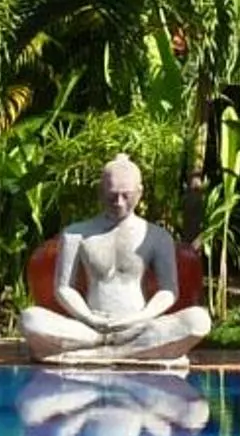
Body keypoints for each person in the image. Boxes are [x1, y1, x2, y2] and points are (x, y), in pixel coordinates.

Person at [16, 154, 211, 363]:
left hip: (138, 327)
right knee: (30, 319)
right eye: (112, 195)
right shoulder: (76, 234)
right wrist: (89, 318)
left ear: (139, 193)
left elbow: (168, 291)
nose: (118, 202)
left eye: (125, 196)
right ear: (101, 192)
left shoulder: (156, 236)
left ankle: (102, 354)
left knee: (198, 320)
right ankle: (132, 352)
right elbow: (64, 288)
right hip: (88, 328)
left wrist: (138, 318)